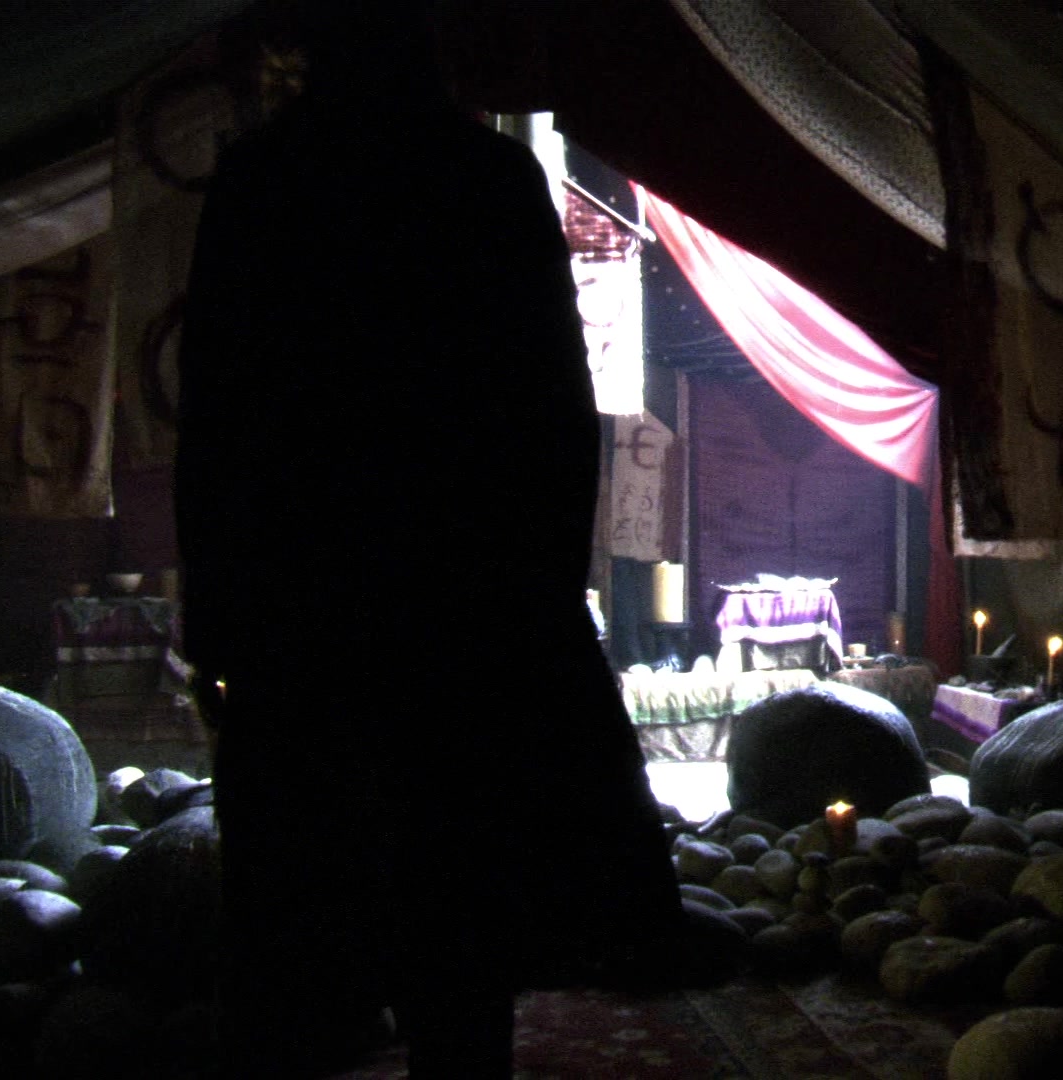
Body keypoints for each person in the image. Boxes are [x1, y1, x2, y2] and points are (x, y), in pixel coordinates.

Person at [175, 7, 704, 1075]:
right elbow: (554, 414)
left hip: (306, 605)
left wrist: (220, 620)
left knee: (301, 918)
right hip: (467, 607)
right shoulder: (487, 180)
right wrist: (543, 599)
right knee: (458, 929)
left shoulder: (265, 181)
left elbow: (220, 417)